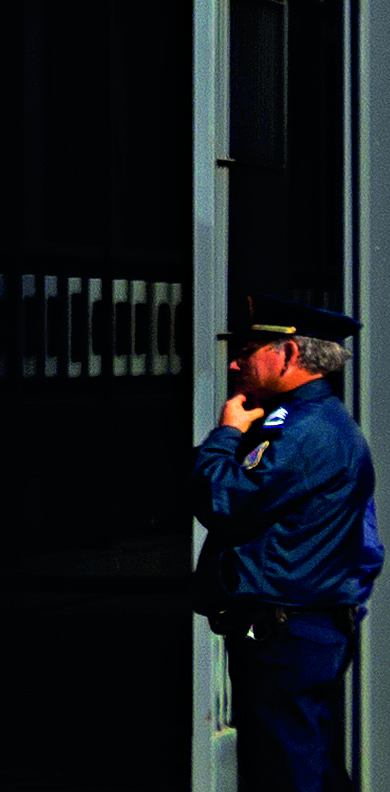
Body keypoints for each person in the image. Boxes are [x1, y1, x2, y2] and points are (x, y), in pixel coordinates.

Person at [202, 299, 383, 792]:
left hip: (288, 632)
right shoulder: (307, 424)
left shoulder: (305, 432)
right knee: (306, 762)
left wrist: (224, 437)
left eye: (249, 350)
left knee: (284, 771)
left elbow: (224, 502)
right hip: (306, 627)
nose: (236, 363)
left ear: (287, 354)